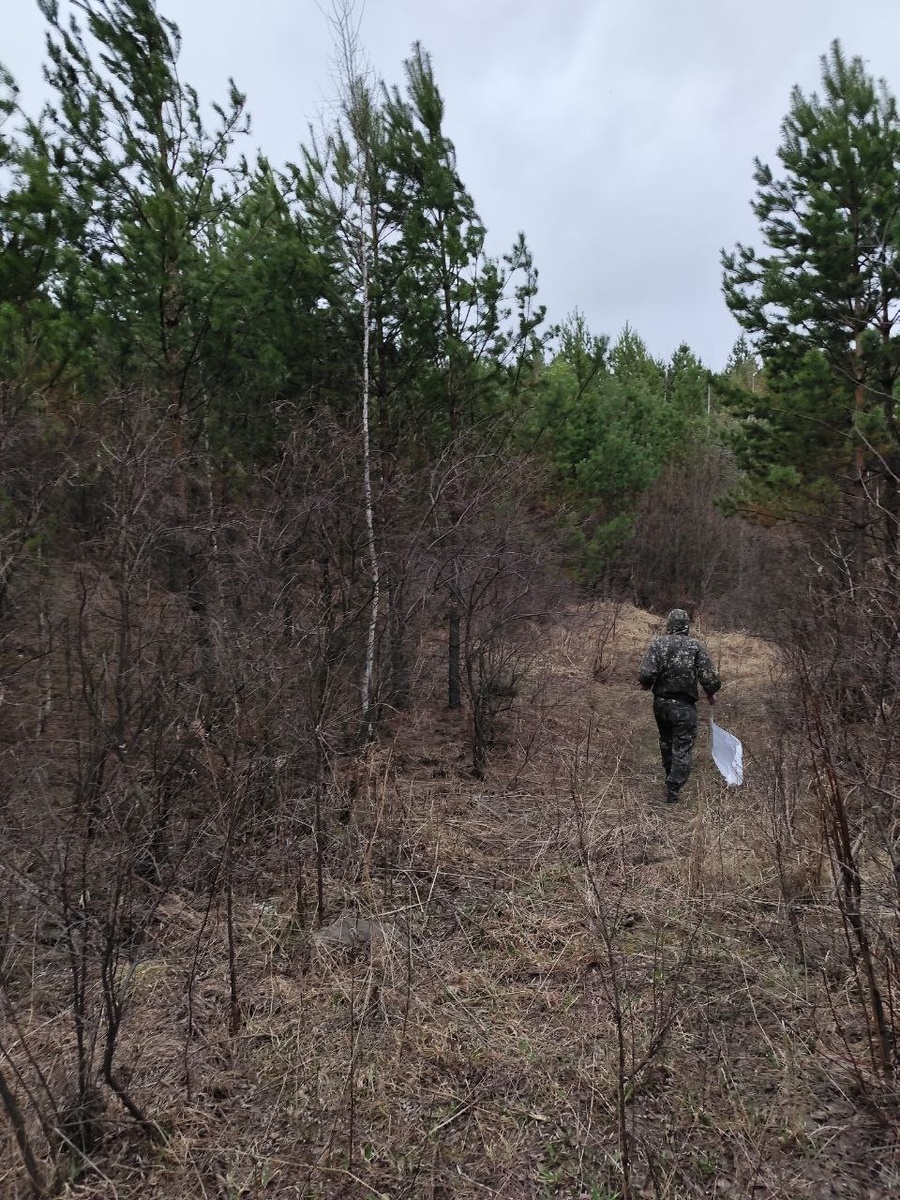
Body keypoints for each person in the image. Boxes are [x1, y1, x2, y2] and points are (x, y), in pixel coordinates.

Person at [638, 608, 721, 803]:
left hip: (661, 705)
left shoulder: (658, 645)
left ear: (669, 625)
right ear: (686, 626)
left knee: (666, 741)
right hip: (684, 706)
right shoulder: (696, 646)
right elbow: (710, 677)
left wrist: (647, 684)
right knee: (682, 746)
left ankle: (669, 775)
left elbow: (646, 673)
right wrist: (711, 692)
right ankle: (673, 788)